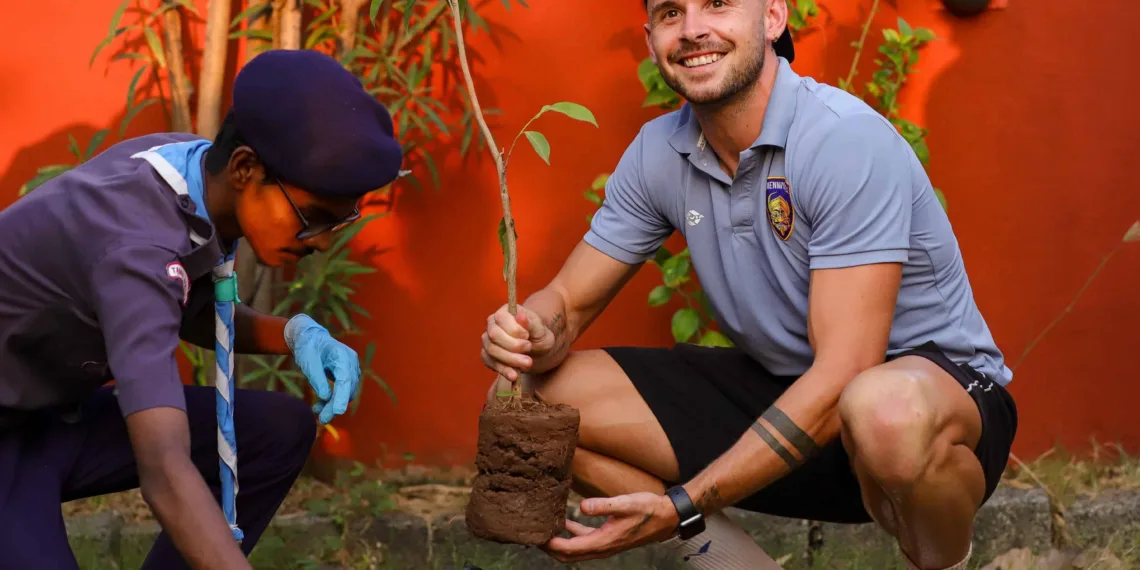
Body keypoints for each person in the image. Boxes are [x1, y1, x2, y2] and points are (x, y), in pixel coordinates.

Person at [479, 1, 1017, 569]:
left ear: (773, 17)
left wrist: (682, 504)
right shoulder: (659, 152)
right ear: (650, 38)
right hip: (791, 392)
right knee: (528, 397)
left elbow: (846, 373)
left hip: (927, 408)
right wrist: (530, 330)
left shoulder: (844, 139)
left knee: (881, 409)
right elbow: (565, 301)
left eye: (717, 4)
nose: (692, 30)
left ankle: (943, 564)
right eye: (670, 13)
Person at [0, 49, 403, 570]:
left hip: (52, 418)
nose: (321, 242)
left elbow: (183, 307)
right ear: (244, 168)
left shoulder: (189, 170)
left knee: (278, 431)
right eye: (313, 217)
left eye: (338, 223)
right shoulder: (137, 248)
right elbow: (164, 472)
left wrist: (296, 334)